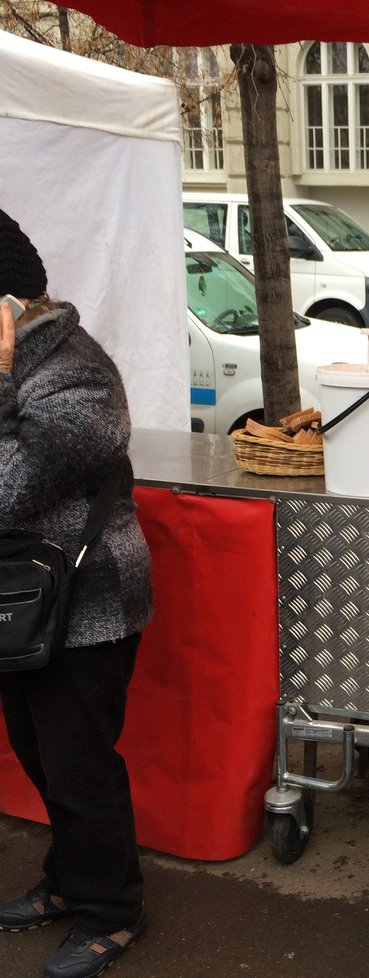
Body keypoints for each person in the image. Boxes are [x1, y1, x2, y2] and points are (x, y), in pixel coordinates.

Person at [0, 209, 153, 978]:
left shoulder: (76, 374)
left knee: (79, 766)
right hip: (22, 607)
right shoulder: (25, 370)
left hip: (86, 607)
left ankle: (111, 913)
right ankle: (69, 884)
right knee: (39, 753)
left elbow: (6, 489)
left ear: (8, 306)